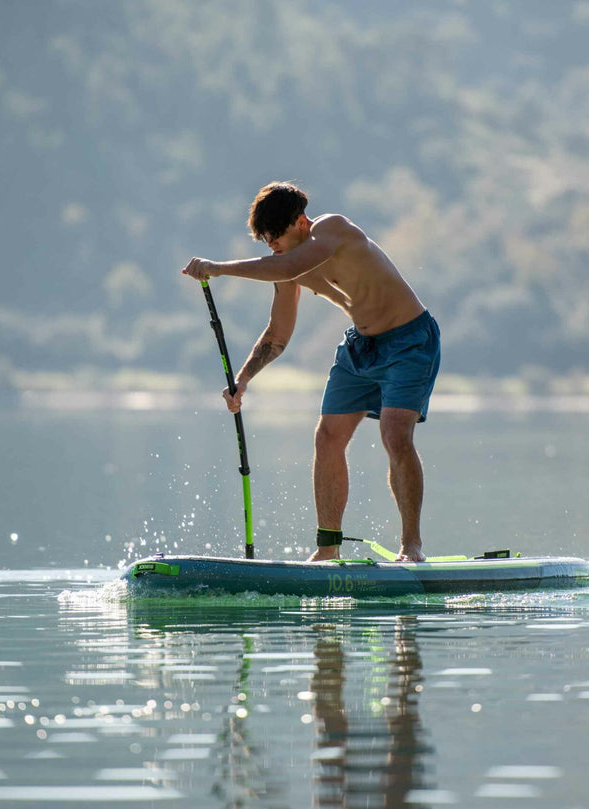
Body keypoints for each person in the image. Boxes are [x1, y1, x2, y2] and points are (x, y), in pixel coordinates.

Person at [182, 181, 440, 562]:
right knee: (327, 438)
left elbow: (286, 265)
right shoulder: (286, 266)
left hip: (409, 342)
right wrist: (243, 379)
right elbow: (277, 336)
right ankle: (328, 549)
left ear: (301, 222)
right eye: (267, 242)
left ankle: (411, 548)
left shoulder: (333, 229)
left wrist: (218, 268)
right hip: (360, 348)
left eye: (277, 238)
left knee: (394, 434)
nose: (273, 249)